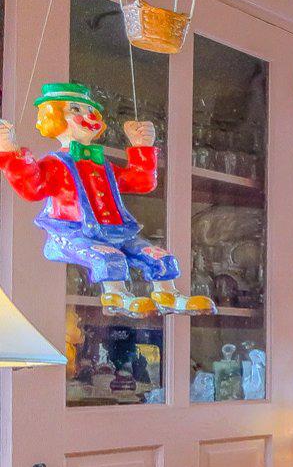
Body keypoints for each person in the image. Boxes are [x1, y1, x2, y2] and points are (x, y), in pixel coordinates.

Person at [0, 82, 209, 316]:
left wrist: (142, 147)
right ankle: (116, 296)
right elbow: (32, 188)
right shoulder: (55, 163)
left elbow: (140, 182)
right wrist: (10, 152)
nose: (88, 116)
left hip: (116, 232)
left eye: (90, 110)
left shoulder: (103, 165)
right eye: (76, 110)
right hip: (73, 233)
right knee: (110, 257)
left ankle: (168, 295)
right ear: (54, 117)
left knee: (159, 255)